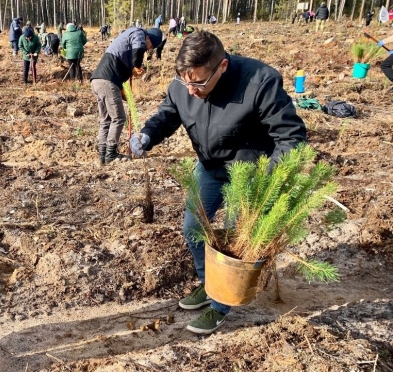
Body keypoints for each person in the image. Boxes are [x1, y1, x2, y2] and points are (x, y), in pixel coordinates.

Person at [129, 30, 306, 335]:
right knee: (192, 227)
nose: (191, 89)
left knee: (234, 246)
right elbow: (169, 114)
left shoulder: (260, 81)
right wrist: (148, 134)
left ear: (222, 67)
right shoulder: (185, 81)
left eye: (198, 82)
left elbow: (291, 137)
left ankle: (220, 306)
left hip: (250, 175)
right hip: (210, 167)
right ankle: (208, 283)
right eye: (185, 80)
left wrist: (267, 181)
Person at [90, 27, 163, 164]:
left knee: (106, 119)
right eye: (151, 46)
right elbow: (139, 48)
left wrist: (128, 78)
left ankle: (103, 154)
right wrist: (137, 65)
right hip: (108, 80)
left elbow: (123, 64)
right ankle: (110, 154)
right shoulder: (139, 33)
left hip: (98, 80)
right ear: (149, 38)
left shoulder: (127, 40)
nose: (148, 49)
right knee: (119, 118)